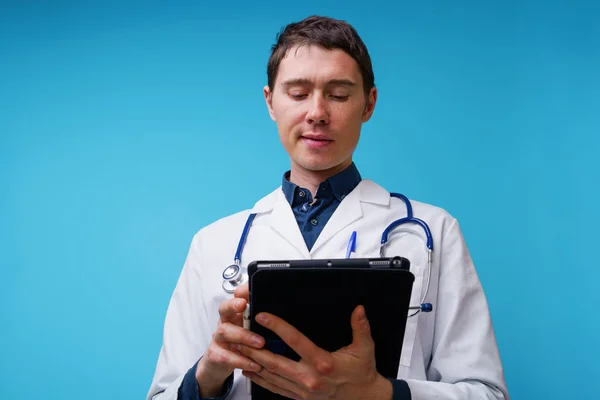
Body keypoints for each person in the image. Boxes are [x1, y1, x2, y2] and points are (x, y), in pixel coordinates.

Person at [146, 15, 509, 400]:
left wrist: (379, 393)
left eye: (338, 94)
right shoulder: (214, 243)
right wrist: (208, 374)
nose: (317, 113)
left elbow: (488, 394)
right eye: (298, 93)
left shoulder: (434, 230)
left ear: (368, 104)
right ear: (270, 102)